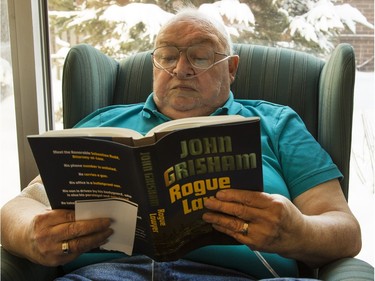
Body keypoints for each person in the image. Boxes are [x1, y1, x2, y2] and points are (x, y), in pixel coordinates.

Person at [1, 7, 361, 281]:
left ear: (231, 67)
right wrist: (31, 233)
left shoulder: (276, 123)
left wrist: (296, 231)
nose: (181, 68)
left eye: (200, 56)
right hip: (104, 274)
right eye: (168, 56)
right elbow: (21, 206)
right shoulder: (103, 122)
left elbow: (344, 230)